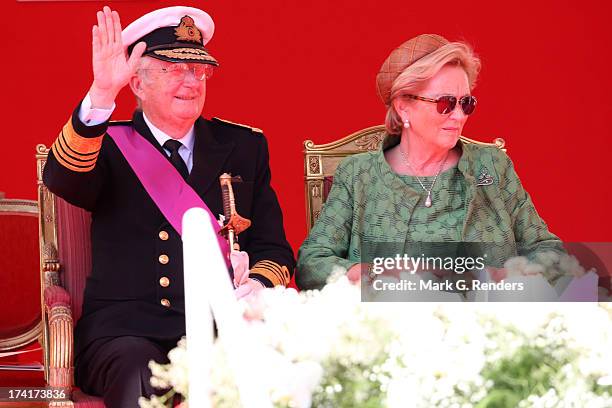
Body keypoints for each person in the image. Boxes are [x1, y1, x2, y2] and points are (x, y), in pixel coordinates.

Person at [43, 6, 295, 406]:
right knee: (141, 376)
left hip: (219, 329)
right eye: (172, 68)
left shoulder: (244, 147)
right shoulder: (106, 145)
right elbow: (60, 179)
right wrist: (102, 93)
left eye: (198, 70)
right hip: (126, 331)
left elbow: (274, 248)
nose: (190, 81)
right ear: (137, 84)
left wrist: (255, 287)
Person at [296, 34, 562, 290]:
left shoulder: (491, 167)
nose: (459, 116)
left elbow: (549, 251)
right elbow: (312, 264)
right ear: (403, 106)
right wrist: (379, 273)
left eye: (466, 103)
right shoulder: (359, 174)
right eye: (445, 103)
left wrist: (506, 276)